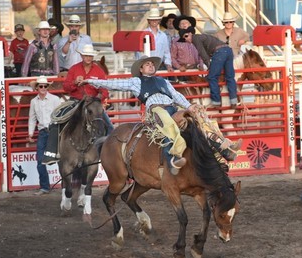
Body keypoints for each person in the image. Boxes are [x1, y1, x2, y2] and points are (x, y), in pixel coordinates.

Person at [80, 56, 242, 174]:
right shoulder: (136, 82)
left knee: (198, 117)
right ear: (141, 69)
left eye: (152, 64)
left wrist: (189, 106)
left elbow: (176, 96)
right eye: (147, 64)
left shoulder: (163, 81)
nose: (151, 66)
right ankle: (175, 156)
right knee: (167, 122)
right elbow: (113, 84)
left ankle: (223, 147)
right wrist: (91, 81)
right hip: (156, 110)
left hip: (173, 107)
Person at [42, 44, 112, 165]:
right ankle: (52, 152)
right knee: (56, 122)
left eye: (90, 56)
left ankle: (109, 155)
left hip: (93, 103)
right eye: (86, 56)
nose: (88, 58)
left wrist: (98, 98)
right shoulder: (74, 69)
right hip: (75, 101)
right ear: (81, 56)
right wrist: (75, 82)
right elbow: (66, 87)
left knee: (109, 127)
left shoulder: (98, 71)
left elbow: (105, 89)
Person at [178, 26, 238, 108]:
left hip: (219, 52)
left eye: (186, 36)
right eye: (184, 39)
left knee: (212, 77)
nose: (186, 39)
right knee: (230, 76)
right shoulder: (201, 37)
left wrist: (209, 65)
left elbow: (202, 53)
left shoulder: (195, 38)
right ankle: (233, 100)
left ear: (190, 34)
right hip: (228, 50)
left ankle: (216, 101)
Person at [27, 76, 62, 195]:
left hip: (53, 130)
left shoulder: (55, 99)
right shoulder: (34, 102)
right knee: (40, 160)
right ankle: (44, 187)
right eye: (41, 86)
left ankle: (64, 186)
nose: (43, 88)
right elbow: (32, 119)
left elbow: (60, 116)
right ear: (37, 87)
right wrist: (30, 133)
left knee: (59, 159)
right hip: (42, 131)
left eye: (45, 86)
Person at [136, 8, 173, 73]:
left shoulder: (163, 35)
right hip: (146, 66)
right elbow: (139, 52)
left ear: (159, 21)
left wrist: (168, 65)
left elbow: (166, 52)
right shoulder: (143, 34)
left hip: (160, 66)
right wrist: (141, 65)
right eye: (152, 19)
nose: (154, 21)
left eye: (156, 19)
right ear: (149, 21)